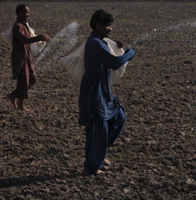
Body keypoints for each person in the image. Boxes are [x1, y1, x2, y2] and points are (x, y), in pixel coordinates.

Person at [79, 9, 135, 175]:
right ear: (98, 26)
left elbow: (110, 57)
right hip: (94, 93)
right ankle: (92, 167)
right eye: (107, 26)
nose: (110, 29)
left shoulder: (100, 42)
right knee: (98, 129)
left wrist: (119, 49)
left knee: (119, 117)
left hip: (103, 91)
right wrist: (128, 54)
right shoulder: (95, 44)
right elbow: (114, 63)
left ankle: (98, 153)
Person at [7, 4, 50, 111]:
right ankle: (21, 106)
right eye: (26, 12)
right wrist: (39, 37)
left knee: (32, 79)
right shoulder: (18, 26)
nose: (28, 15)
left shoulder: (24, 25)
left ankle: (14, 95)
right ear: (20, 13)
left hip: (27, 56)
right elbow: (24, 40)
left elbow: (27, 38)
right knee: (24, 80)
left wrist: (34, 36)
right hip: (20, 57)